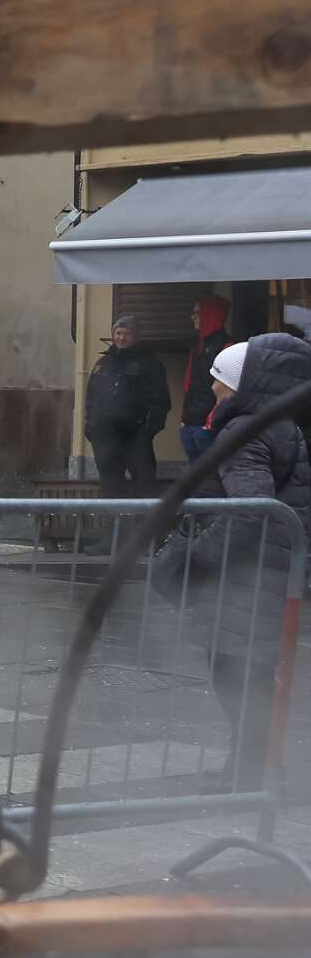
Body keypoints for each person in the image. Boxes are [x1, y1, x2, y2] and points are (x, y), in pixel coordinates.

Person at [153, 335, 311, 792]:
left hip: (246, 577)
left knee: (237, 677)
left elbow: (250, 509)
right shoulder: (279, 425)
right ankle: (253, 769)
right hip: (268, 571)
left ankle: (251, 775)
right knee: (250, 678)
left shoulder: (245, 432)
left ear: (241, 385)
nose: (213, 388)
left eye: (220, 379)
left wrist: (199, 556)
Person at [85, 315, 171, 497]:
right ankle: (114, 517)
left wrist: (148, 430)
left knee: (145, 485)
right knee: (111, 487)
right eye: (118, 333)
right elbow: (90, 398)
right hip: (105, 437)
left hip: (136, 437)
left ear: (136, 336)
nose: (121, 338)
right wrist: (91, 427)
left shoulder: (150, 364)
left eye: (127, 334)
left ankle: (146, 517)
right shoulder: (103, 363)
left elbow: (161, 401)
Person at [181, 297, 233, 462]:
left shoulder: (227, 346)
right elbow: (189, 384)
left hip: (209, 425)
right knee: (197, 471)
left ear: (211, 314)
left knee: (211, 472)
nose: (193, 317)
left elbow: (228, 391)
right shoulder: (198, 346)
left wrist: (210, 423)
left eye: (197, 312)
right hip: (191, 422)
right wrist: (184, 420)